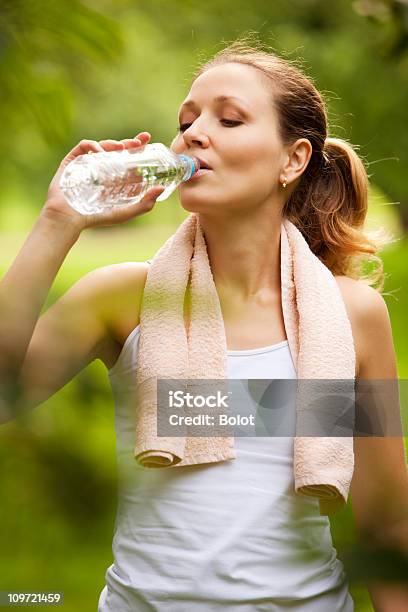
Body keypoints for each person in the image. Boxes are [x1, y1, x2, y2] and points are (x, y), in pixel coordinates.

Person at [1, 38, 407, 611]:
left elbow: (387, 530)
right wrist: (57, 222)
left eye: (230, 119)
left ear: (293, 160)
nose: (192, 132)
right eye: (186, 120)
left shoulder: (349, 317)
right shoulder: (124, 299)